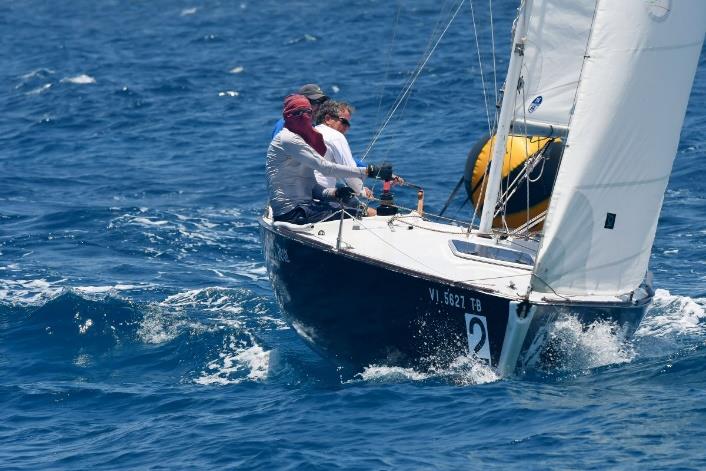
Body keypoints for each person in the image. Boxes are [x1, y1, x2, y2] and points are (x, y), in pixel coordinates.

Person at [266, 94, 392, 225]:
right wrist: (368, 171)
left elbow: (312, 186)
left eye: (308, 112)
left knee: (351, 209)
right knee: (354, 214)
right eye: (299, 113)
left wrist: (335, 193)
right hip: (292, 213)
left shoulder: (301, 140)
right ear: (289, 116)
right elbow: (325, 167)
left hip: (304, 208)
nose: (305, 117)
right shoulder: (288, 138)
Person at [313, 100, 377, 216]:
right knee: (374, 214)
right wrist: (362, 191)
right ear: (328, 119)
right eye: (343, 122)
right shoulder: (335, 136)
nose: (346, 128)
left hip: (304, 197)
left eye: (348, 125)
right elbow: (350, 172)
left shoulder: (310, 132)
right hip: (323, 199)